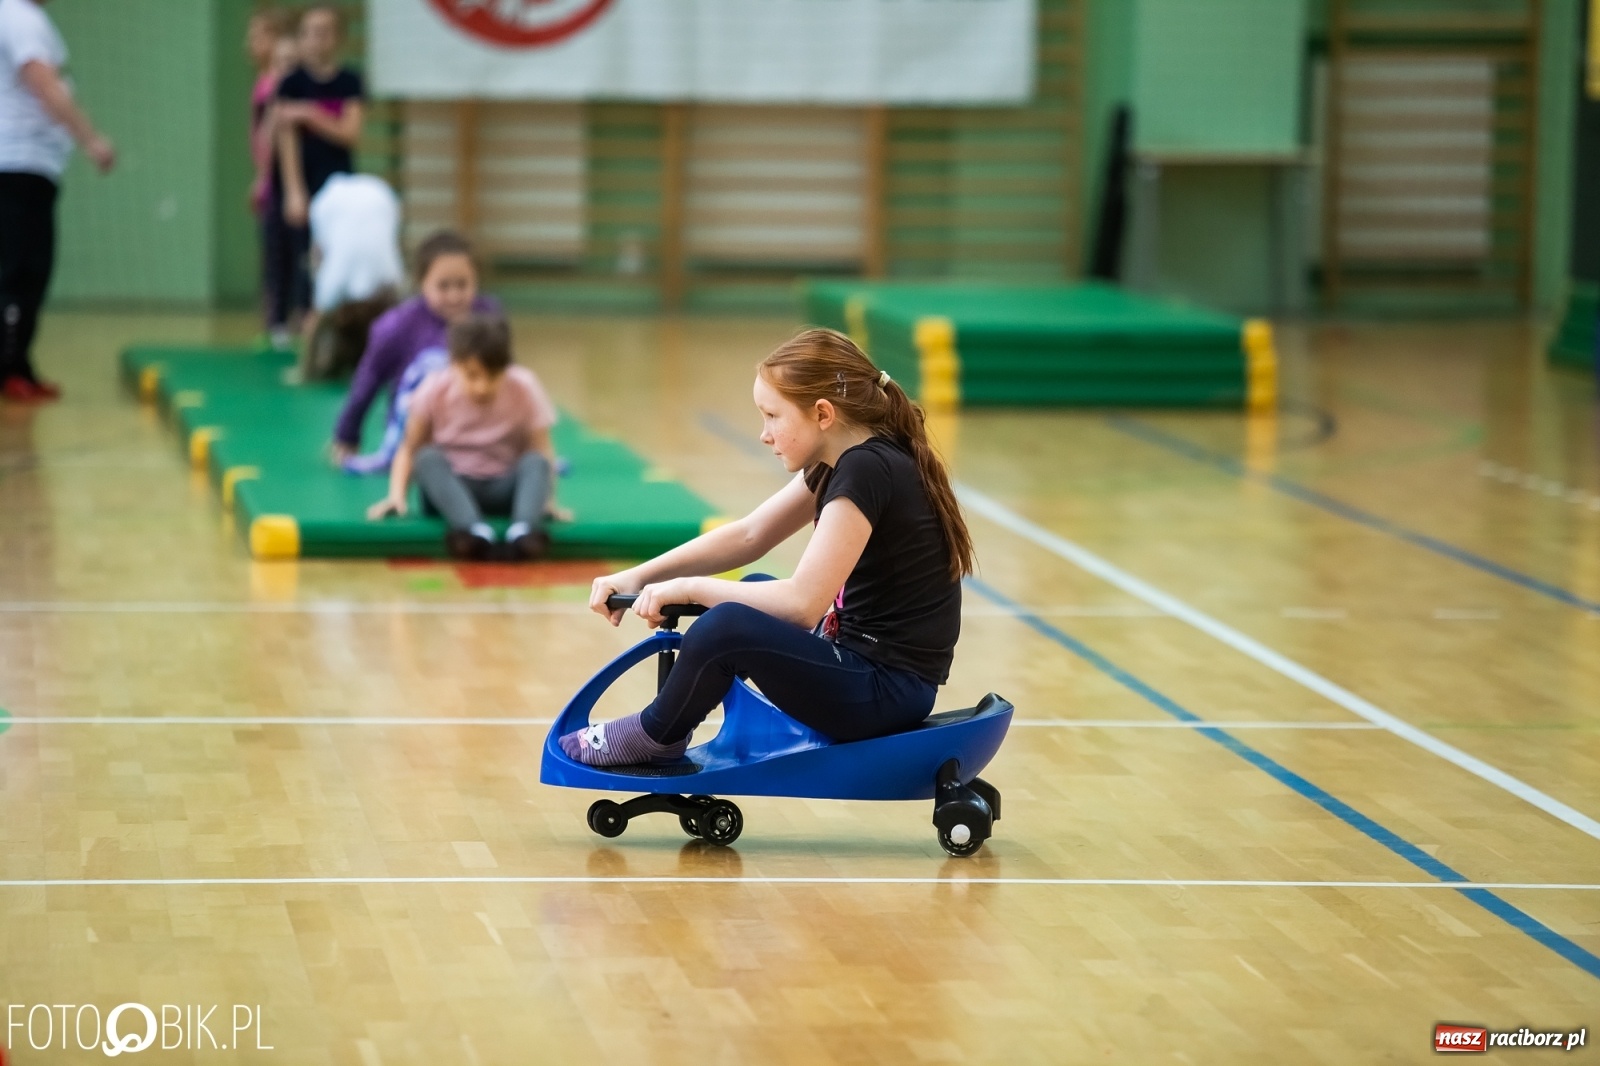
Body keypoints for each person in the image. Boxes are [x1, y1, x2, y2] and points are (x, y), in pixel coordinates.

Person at [562, 328, 975, 767]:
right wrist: (642, 576)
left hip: (884, 689)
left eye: (773, 416)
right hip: (869, 669)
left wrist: (689, 589)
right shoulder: (843, 459)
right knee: (751, 595)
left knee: (727, 626)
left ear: (822, 413)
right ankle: (681, 716)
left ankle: (656, 733)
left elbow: (802, 606)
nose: (764, 433)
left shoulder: (867, 468)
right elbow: (750, 535)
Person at [367, 313, 558, 562]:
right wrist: (397, 496)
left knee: (535, 462)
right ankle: (471, 530)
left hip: (503, 488)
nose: (482, 386)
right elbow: (410, 448)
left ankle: (523, 531)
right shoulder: (435, 388)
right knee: (428, 457)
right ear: (453, 364)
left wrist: (546, 500)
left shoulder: (524, 386)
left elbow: (541, 449)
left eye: (493, 376)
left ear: (505, 367)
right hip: (452, 489)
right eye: (471, 375)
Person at [0, 0, 114, 404]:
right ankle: (10, 367)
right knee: (20, 271)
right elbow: (43, 82)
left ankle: (19, 365)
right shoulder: (19, 17)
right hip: (19, 164)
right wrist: (90, 138)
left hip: (31, 166)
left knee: (29, 269)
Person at [332, 229, 497, 466]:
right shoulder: (397, 326)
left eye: (462, 285)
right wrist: (347, 434)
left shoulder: (488, 317)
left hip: (477, 431)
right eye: (443, 286)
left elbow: (506, 378)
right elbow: (367, 381)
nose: (453, 296)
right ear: (422, 283)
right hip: (416, 435)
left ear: (476, 281)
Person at [269, 4, 363, 346]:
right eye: (309, 32)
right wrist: (294, 190)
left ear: (337, 38)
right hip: (300, 181)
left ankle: (330, 324)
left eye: (324, 32)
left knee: (331, 252)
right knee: (293, 253)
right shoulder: (292, 82)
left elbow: (350, 133)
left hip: (337, 182)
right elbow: (284, 136)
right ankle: (283, 324)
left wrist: (310, 113)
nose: (315, 40)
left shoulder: (349, 81)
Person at [292, 172, 403, 382]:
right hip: (380, 210)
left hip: (348, 261)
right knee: (392, 310)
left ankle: (307, 370)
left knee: (323, 312)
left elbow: (318, 255)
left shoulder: (322, 205)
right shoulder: (378, 195)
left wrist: (305, 370)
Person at [246, 10, 295, 337]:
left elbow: (275, 137)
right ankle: (273, 323)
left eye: (258, 36)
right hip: (268, 177)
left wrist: (265, 177)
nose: (249, 43)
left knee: (281, 257)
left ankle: (280, 323)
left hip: (277, 180)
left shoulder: (277, 84)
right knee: (271, 256)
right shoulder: (263, 81)